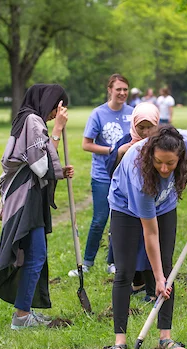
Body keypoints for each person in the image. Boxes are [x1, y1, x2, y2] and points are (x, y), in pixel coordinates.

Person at [103, 125, 187, 349]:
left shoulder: (183, 143)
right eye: (159, 162)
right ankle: (119, 343)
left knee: (167, 271)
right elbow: (150, 234)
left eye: (170, 164)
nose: (163, 168)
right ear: (151, 154)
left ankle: (165, 338)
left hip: (165, 203)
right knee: (125, 271)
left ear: (181, 157)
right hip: (124, 205)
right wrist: (157, 279)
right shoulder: (139, 174)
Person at [0, 84, 74, 330]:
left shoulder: (28, 119)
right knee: (36, 253)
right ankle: (21, 318)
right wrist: (58, 129)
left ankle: (23, 312)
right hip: (25, 197)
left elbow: (40, 158)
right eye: (57, 107)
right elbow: (40, 166)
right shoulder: (32, 120)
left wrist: (58, 171)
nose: (55, 113)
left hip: (29, 195)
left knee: (32, 253)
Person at [70, 74, 133, 277]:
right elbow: (86, 144)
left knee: (119, 217)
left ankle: (113, 262)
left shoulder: (133, 113)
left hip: (126, 175)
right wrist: (112, 151)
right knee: (100, 218)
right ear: (110, 90)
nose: (122, 93)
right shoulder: (98, 114)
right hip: (102, 175)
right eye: (118, 89)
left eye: (125, 89)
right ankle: (87, 262)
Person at [105, 102, 160, 302]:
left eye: (149, 127)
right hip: (126, 204)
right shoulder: (126, 141)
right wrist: (120, 152)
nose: (145, 132)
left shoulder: (160, 143)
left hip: (149, 202)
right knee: (129, 245)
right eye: (141, 127)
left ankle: (152, 290)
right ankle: (136, 283)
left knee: (148, 247)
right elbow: (110, 169)